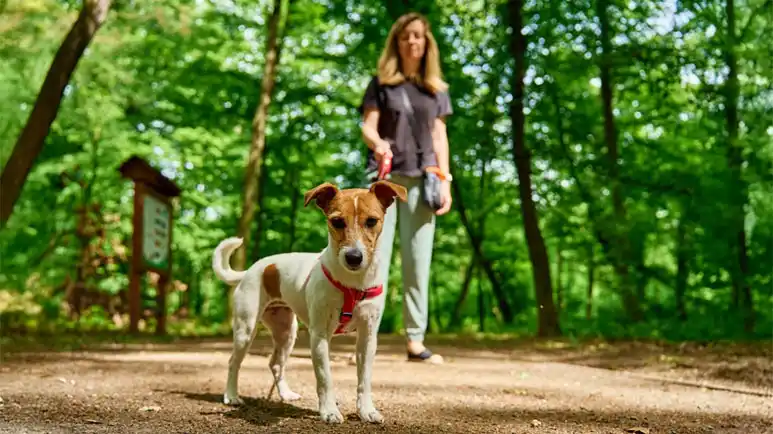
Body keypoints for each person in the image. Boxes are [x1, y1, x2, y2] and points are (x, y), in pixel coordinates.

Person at [358, 12, 453, 364]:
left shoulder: (436, 90)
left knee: (418, 262)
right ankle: (367, 335)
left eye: (418, 36)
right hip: (385, 183)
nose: (412, 41)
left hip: (424, 181)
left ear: (427, 43)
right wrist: (378, 143)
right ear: (396, 43)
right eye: (405, 36)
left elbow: (439, 137)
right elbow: (367, 126)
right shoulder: (381, 84)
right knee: (375, 259)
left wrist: (445, 180)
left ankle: (415, 340)